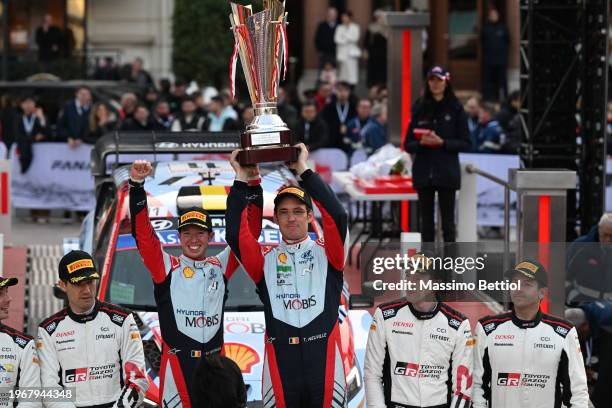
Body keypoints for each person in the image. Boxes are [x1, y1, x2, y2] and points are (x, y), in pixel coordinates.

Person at [129, 159, 261, 406]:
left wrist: (251, 184)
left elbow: (249, 234)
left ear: (210, 236)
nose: (193, 239)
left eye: (200, 232)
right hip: (177, 369)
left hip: (215, 369)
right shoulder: (166, 266)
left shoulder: (220, 265)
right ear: (178, 237)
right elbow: (144, 236)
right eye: (187, 233)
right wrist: (136, 186)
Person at [226, 143, 349, 407]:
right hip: (282, 367)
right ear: (277, 219)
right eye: (283, 212)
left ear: (308, 216)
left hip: (324, 365)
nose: (291, 218)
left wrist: (303, 170)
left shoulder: (330, 255)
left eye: (297, 211)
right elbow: (237, 235)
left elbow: (337, 215)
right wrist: (243, 179)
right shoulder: (264, 261)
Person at [472, 259, 589, 407]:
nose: (518, 288)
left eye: (526, 284)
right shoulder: (487, 328)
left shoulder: (564, 332)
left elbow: (577, 391)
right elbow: (477, 386)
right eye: (514, 283)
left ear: (541, 293)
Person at [37, 251, 148, 407]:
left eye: (90, 281)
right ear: (62, 285)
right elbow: (49, 387)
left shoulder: (123, 319)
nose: (87, 290)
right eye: (78, 283)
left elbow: (137, 378)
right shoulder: (48, 330)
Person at [364, 254, 473, 407]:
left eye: (418, 277)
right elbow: (372, 375)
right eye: (408, 275)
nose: (410, 283)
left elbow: (463, 389)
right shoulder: (385, 315)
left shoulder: (458, 324)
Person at [404, 66, 471, 243]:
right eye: (432, 80)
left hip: (446, 172)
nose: (435, 84)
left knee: (448, 224)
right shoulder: (419, 107)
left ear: (446, 82)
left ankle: (448, 267)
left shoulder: (456, 108)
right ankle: (427, 266)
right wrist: (421, 143)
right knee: (425, 224)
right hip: (424, 172)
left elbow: (466, 142)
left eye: (439, 80)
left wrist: (443, 143)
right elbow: (407, 144)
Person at [0, 275, 41, 407]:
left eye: (7, 293)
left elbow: (31, 400)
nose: (8, 299)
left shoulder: (23, 344)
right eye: (0, 294)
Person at [566, 213, 612, 304]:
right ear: (599, 229)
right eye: (605, 235)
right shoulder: (580, 246)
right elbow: (563, 274)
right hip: (583, 301)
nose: (608, 239)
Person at [481, 7, 510, 101]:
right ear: (489, 17)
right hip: (489, 59)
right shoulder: (485, 28)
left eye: (495, 15)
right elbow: (482, 42)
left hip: (501, 60)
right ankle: (488, 99)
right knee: (488, 81)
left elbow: (508, 41)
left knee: (502, 82)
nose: (494, 17)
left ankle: (504, 99)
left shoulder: (503, 28)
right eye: (492, 15)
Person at [15, 96, 47, 174]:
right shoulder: (17, 118)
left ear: (34, 104)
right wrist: (32, 138)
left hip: (39, 151)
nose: (28, 105)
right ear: (21, 105)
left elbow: (47, 132)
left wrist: (41, 118)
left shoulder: (40, 117)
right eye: (26, 103)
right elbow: (16, 134)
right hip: (23, 149)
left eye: (30, 103)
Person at [322, 81, 357, 153]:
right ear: (336, 92)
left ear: (349, 92)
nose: (342, 93)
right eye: (340, 90)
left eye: (345, 90)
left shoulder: (354, 107)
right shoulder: (328, 108)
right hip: (332, 144)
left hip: (349, 144)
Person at [335, 11, 361, 87]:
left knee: (352, 75)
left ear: (350, 18)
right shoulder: (339, 27)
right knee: (343, 75)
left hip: (351, 54)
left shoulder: (355, 27)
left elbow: (355, 38)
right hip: (342, 53)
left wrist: (344, 37)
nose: (343, 19)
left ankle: (351, 89)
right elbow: (337, 39)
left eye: (345, 17)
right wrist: (347, 39)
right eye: (342, 17)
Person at [365, 10, 388, 88]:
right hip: (373, 56)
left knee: (383, 76)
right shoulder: (371, 27)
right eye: (378, 17)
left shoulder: (388, 29)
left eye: (381, 17)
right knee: (373, 76)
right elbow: (366, 42)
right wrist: (366, 51)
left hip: (384, 56)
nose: (380, 19)